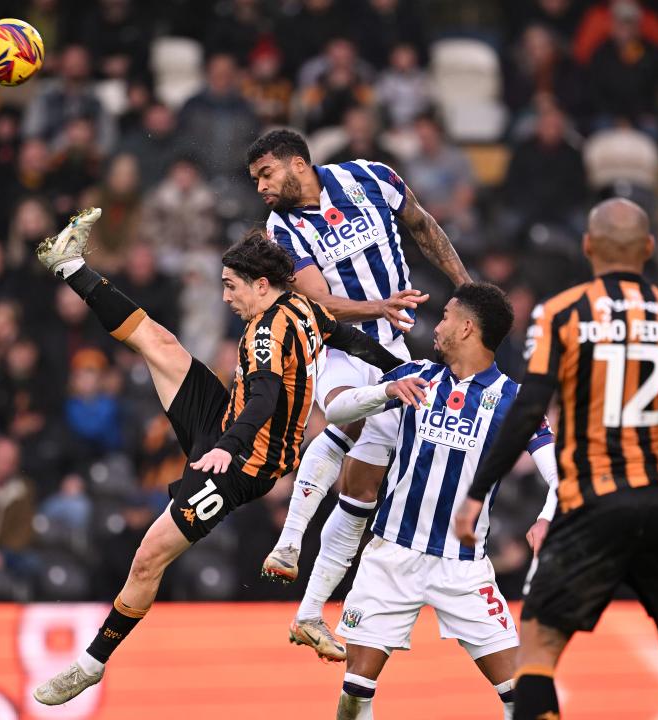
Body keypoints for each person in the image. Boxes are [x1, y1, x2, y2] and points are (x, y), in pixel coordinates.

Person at [31, 209, 407, 705]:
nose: (226, 297)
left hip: (240, 469)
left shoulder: (265, 334)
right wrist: (403, 365)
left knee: (148, 559)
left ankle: (92, 663)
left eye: (232, 287)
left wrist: (224, 451)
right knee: (159, 342)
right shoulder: (299, 307)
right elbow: (345, 336)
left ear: (262, 284)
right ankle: (69, 265)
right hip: (224, 425)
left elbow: (265, 398)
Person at [455, 199, 658, 720]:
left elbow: (530, 410)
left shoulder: (560, 314)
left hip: (589, 502)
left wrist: (478, 493)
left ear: (588, 248)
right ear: (648, 249)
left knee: (537, 652)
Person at [248, 128, 471, 660]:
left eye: (266, 174)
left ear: (297, 164)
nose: (260, 188)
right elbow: (321, 303)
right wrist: (379, 306)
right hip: (335, 344)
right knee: (345, 411)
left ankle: (308, 614)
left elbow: (421, 223)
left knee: (362, 490)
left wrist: (465, 286)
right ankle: (289, 540)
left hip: (389, 344)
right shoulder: (281, 229)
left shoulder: (370, 177)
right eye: (255, 179)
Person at [322, 283, 557, 720]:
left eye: (447, 316)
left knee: (521, 695)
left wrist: (546, 516)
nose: (439, 325)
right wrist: (385, 393)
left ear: (467, 327)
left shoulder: (515, 401)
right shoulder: (418, 376)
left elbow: (559, 473)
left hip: (462, 567)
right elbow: (336, 411)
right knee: (356, 691)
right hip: (390, 555)